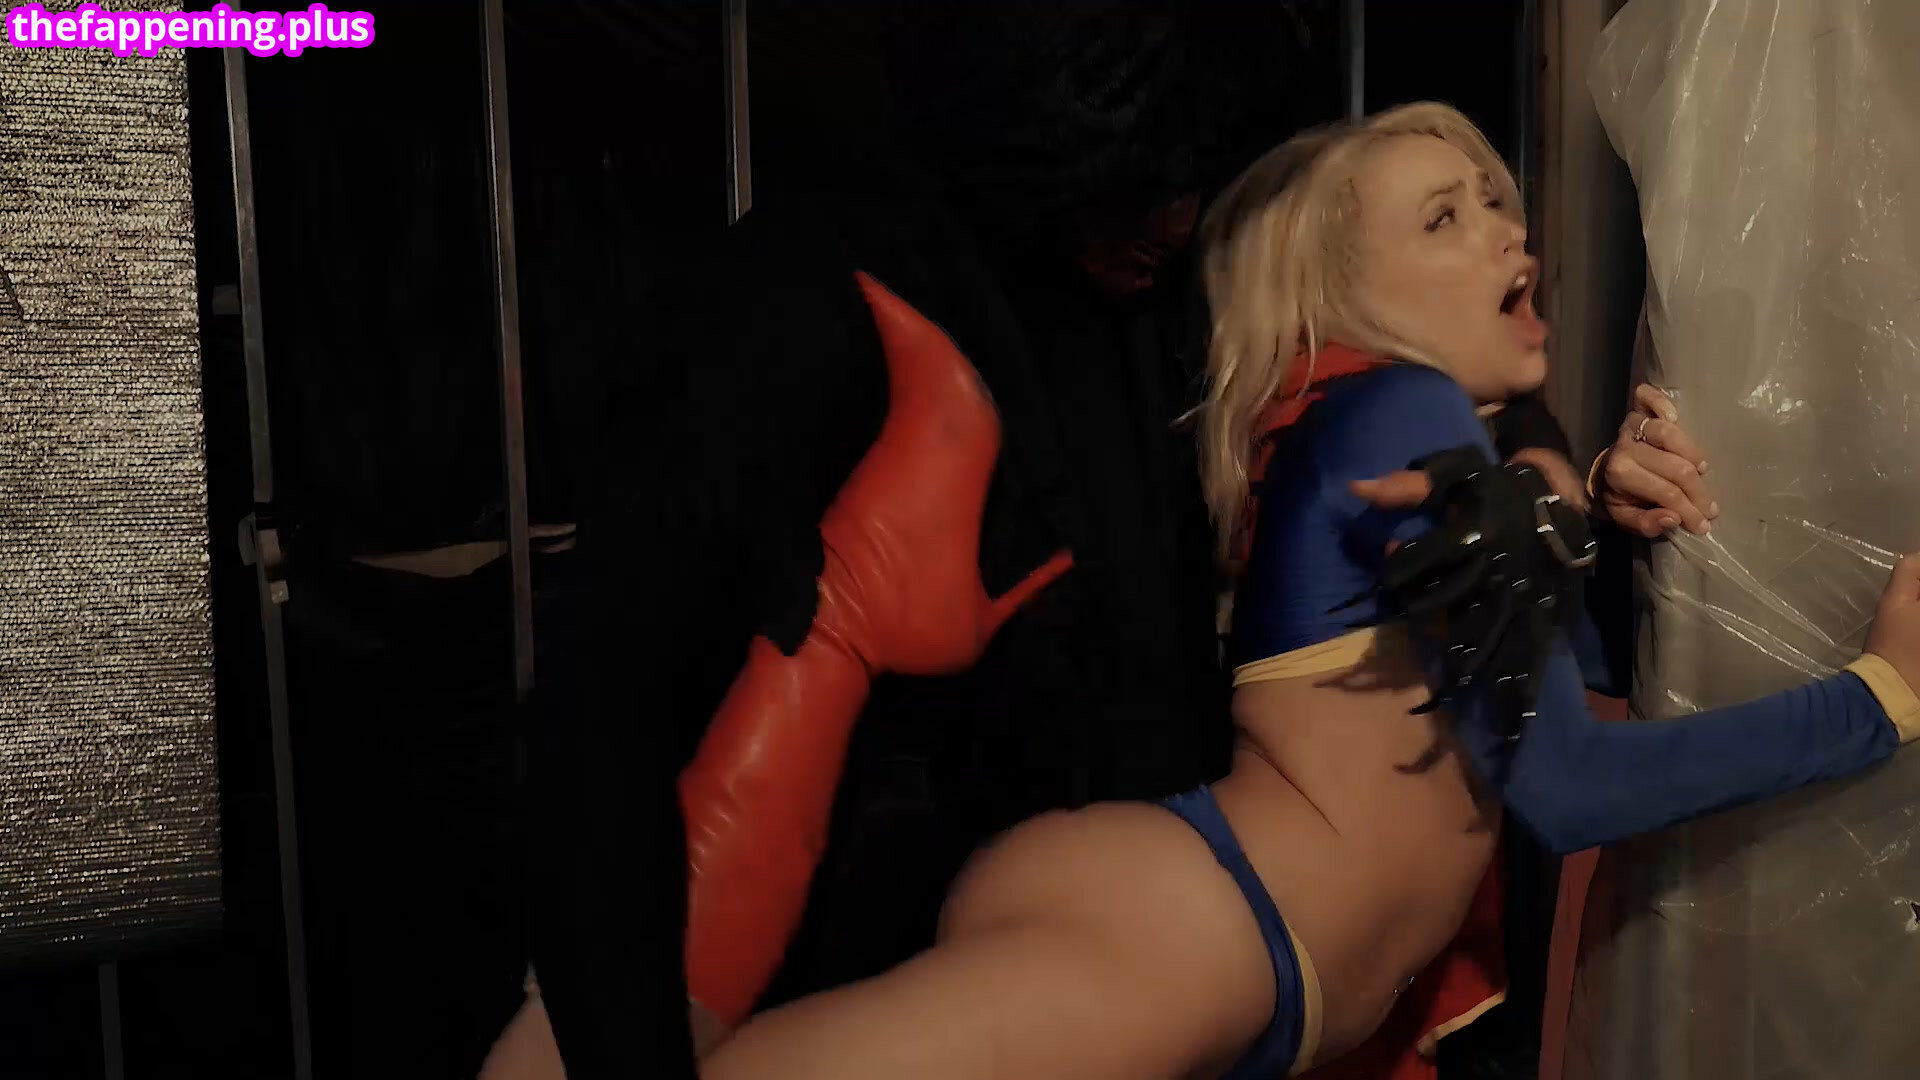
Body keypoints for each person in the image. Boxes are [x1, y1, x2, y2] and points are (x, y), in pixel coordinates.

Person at [599, 102, 1920, 1080]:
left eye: (1496, 201)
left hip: (1235, 936)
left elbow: (1542, 699)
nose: (1509, 231)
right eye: (1444, 219)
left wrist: (1594, 519)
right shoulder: (1398, 411)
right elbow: (1568, 785)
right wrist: (1880, 697)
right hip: (1207, 929)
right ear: (1342, 300)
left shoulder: (1398, 445)